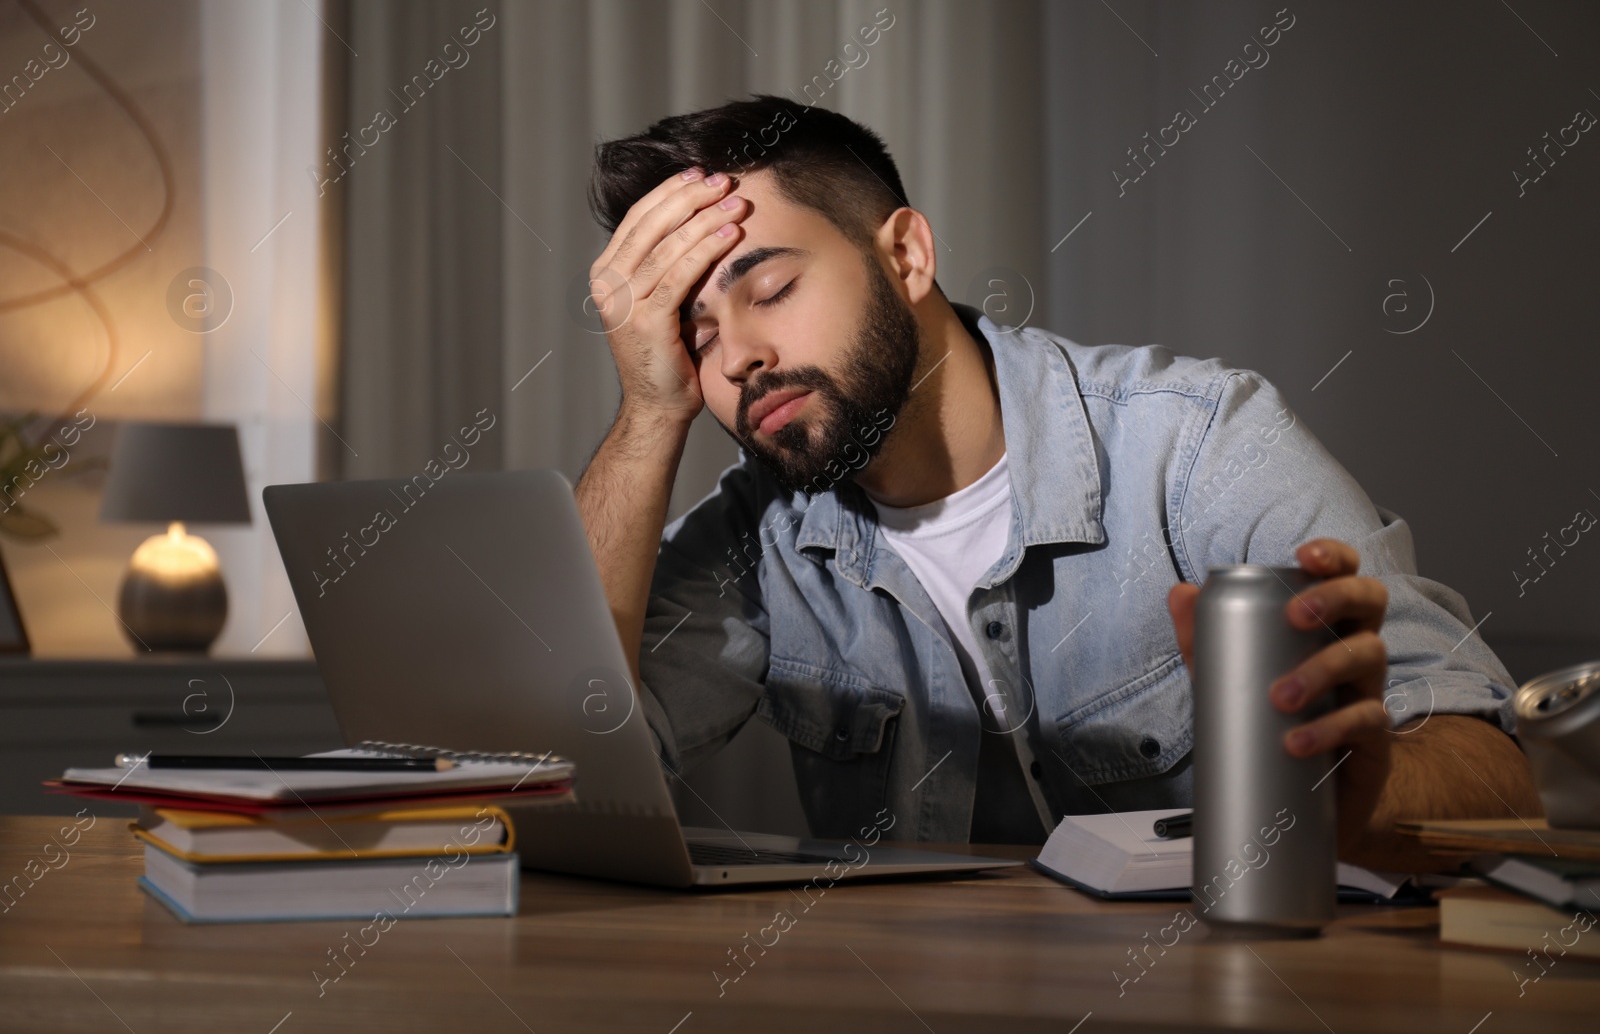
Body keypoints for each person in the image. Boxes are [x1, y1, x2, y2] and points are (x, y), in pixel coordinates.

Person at [573, 94, 1539, 869]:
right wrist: (651, 414)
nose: (735, 355)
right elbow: (570, 761)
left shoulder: (1197, 442)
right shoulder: (765, 527)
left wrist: (1359, 792)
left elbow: (1496, 773)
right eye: (693, 332)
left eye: (770, 289)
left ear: (906, 254)